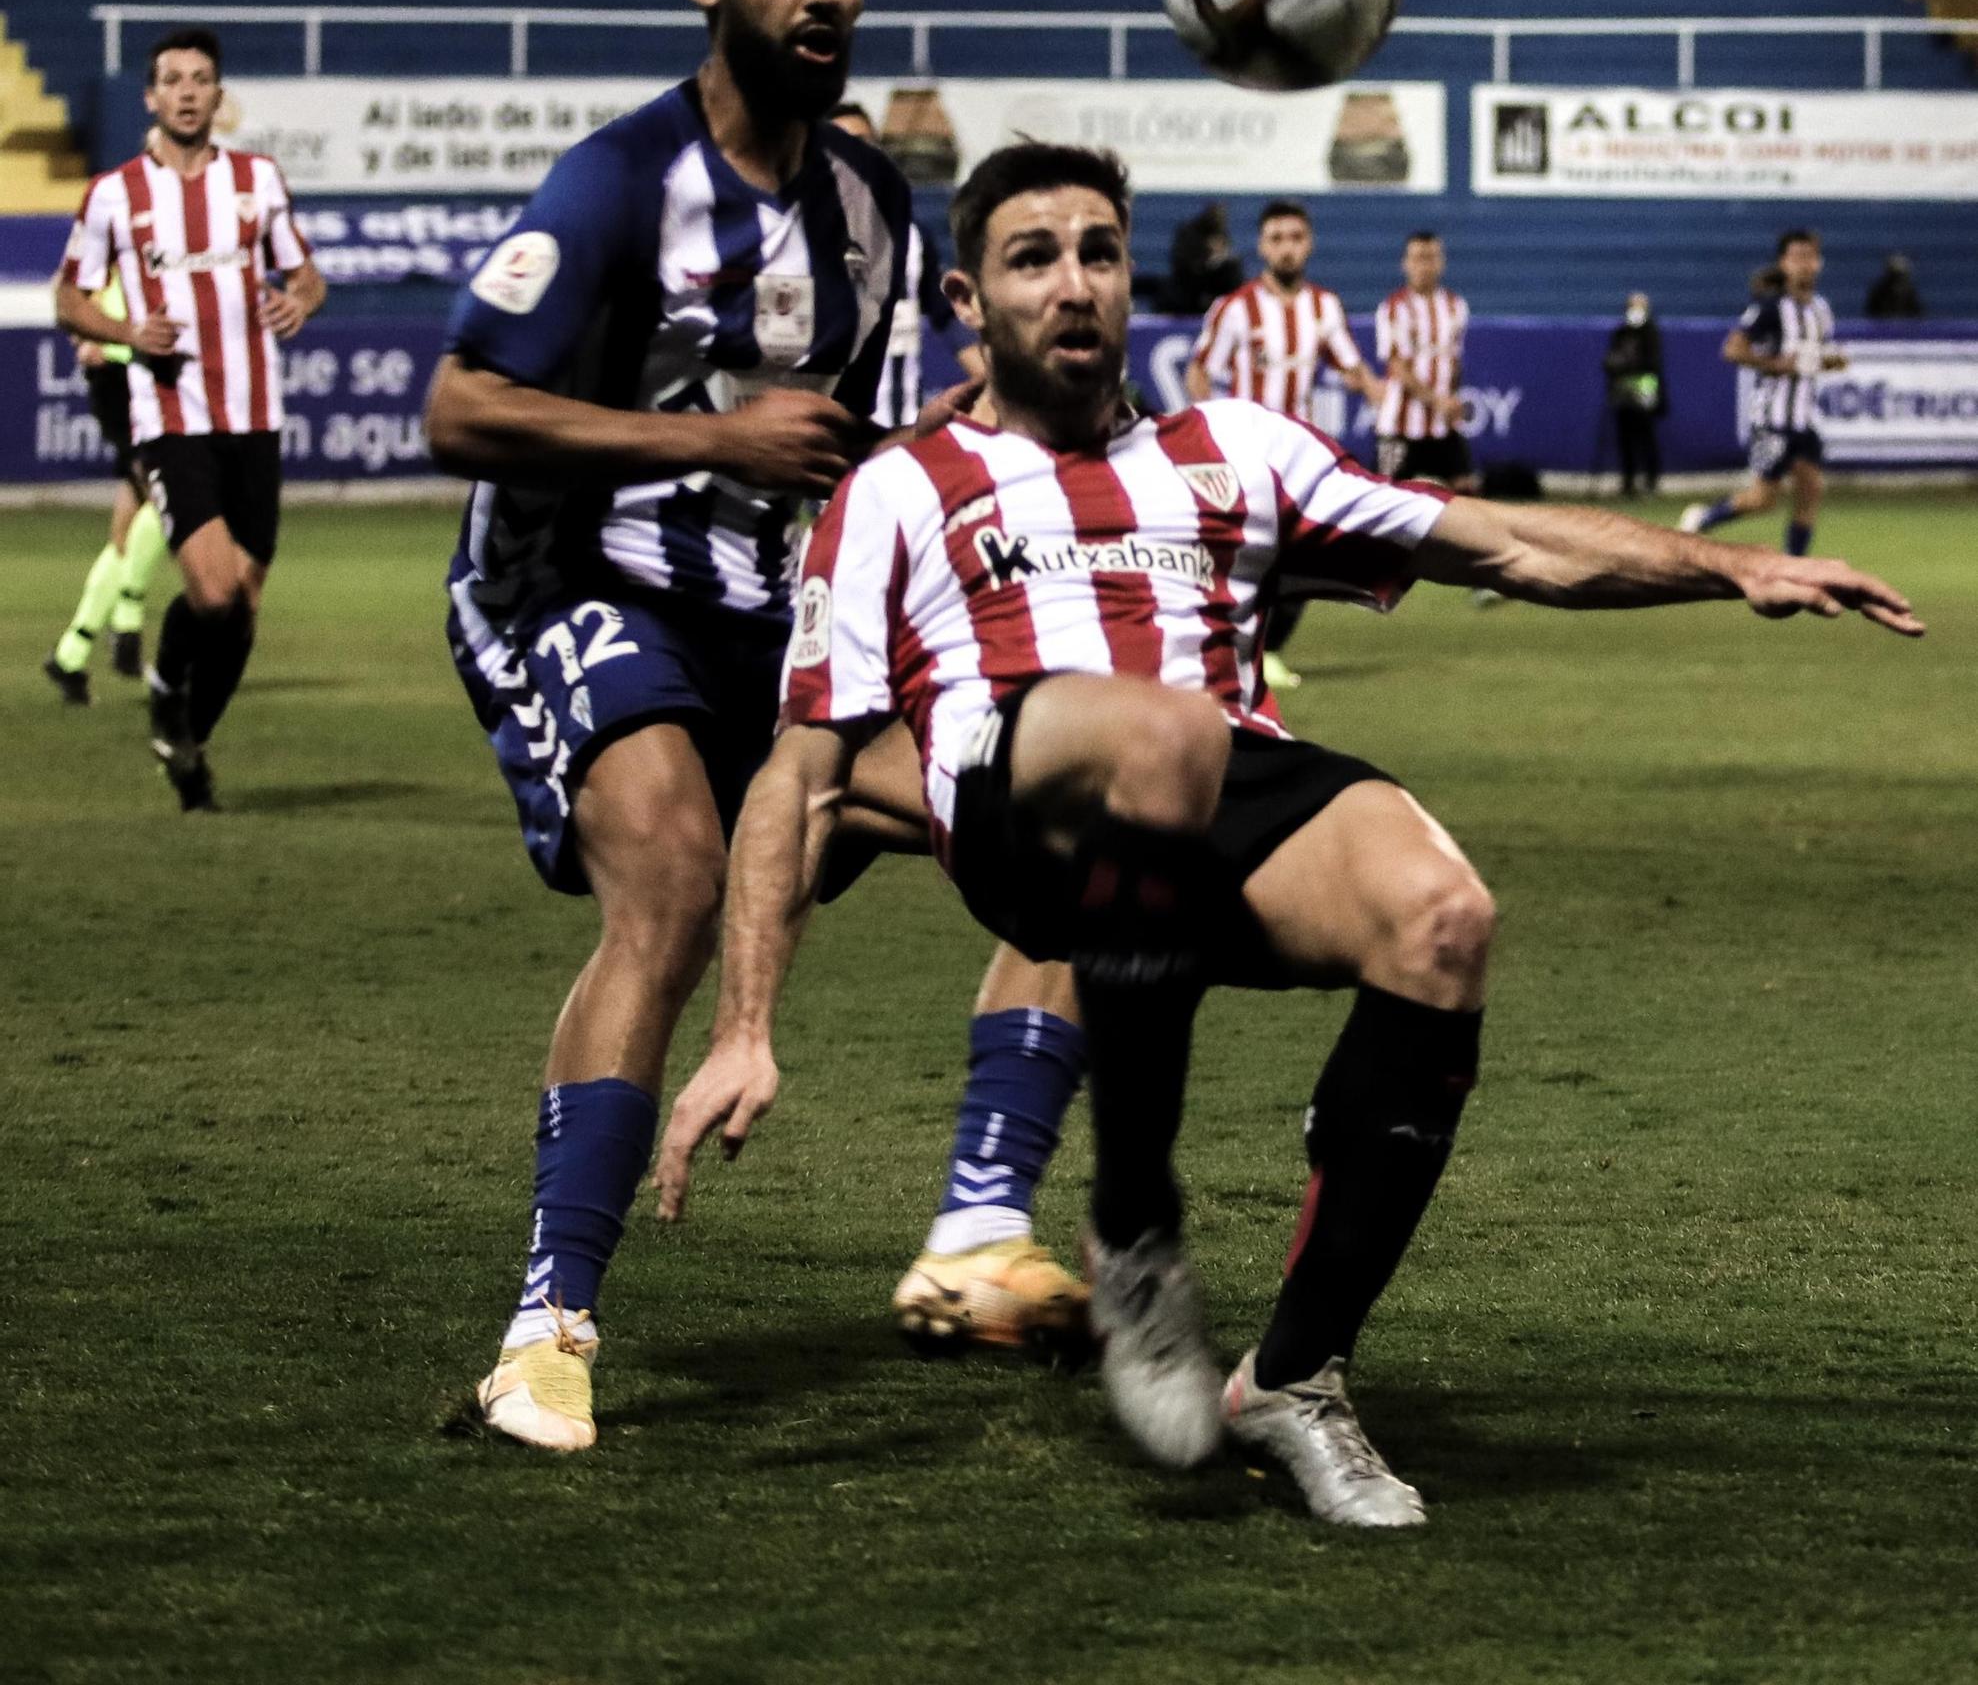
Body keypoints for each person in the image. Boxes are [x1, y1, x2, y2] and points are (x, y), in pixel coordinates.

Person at [657, 141, 1922, 1532]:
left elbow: (1499, 543)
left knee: (1441, 919)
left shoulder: (1232, 448)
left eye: (1096, 252)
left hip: (1209, 783)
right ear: (969, 299)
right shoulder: (898, 489)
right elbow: (799, 770)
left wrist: (1734, 567)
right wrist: (743, 1024)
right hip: (1015, 784)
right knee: (1164, 733)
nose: (1071, 284)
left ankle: (1294, 1380)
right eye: (1032, 259)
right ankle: (1135, 1235)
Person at [425, 0, 1088, 1454]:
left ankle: (974, 1235)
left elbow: (821, 436)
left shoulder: (870, 200)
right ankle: (545, 1336)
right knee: (667, 867)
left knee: (1054, 838)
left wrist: (895, 450)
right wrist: (712, 447)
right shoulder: (615, 180)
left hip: (768, 621)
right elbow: (459, 407)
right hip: (569, 583)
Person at [54, 27, 325, 808]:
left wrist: (296, 299)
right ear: (152, 97)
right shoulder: (115, 194)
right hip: (170, 413)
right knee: (212, 596)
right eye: (171, 79)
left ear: (217, 96)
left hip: (256, 413)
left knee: (243, 605)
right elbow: (69, 298)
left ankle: (189, 742)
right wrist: (126, 333)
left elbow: (308, 277)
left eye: (200, 79)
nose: (185, 91)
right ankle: (167, 678)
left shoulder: (258, 181)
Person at [1186, 199, 1384, 691]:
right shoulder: (1235, 308)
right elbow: (1198, 371)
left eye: (1295, 238)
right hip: (1243, 454)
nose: (1287, 248)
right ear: (1262, 246)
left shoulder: (1324, 307)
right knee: (1236, 556)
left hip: (1298, 458)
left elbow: (1349, 366)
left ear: (1309, 244)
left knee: (1305, 556)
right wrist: (1207, 428)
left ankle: (1265, 650)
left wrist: (1379, 390)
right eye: (1276, 239)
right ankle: (1221, 650)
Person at [41, 268, 170, 706]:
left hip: (140, 373)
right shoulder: (114, 218)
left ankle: (72, 655)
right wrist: (89, 338)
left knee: (133, 519)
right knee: (164, 496)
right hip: (120, 378)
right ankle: (125, 623)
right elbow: (67, 289)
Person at [1680, 229, 1847, 555]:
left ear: (1819, 262)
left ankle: (1794, 566)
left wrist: (1831, 362)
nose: (1804, 264)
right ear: (1784, 263)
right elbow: (1732, 350)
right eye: (1797, 257)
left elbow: (1814, 358)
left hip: (1804, 418)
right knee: (1762, 500)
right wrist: (1773, 363)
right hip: (1772, 418)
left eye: (1810, 257)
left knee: (1811, 489)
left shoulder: (1821, 310)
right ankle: (1703, 518)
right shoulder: (1771, 308)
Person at [824, 100, 962, 425]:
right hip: (829, 438)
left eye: (864, 143)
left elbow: (946, 319)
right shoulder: (795, 239)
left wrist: (993, 385)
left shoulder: (912, 237)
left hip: (900, 435)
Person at [1372, 231, 1473, 490]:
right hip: (1399, 425)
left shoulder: (1455, 306)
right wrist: (1438, 401)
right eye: (1417, 258)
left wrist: (1452, 400)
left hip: (1441, 425)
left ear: (1441, 262)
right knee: (1385, 499)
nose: (1424, 266)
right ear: (1405, 263)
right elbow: (1398, 368)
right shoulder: (1394, 308)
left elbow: (1454, 361)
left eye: (1430, 258)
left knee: (1466, 491)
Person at [1603, 292, 1666, 498]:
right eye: (1633, 306)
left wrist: (1629, 364)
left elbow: (1653, 363)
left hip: (1644, 394)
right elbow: (1610, 360)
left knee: (1646, 438)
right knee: (1625, 440)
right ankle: (1628, 482)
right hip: (1622, 394)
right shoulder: (1621, 332)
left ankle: (1651, 480)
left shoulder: (1651, 333)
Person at [1162, 201, 1244, 316]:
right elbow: (1183, 266)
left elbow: (1227, 259)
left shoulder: (1222, 235)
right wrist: (1208, 260)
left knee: (1233, 266)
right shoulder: (1189, 234)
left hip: (1215, 287)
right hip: (1189, 292)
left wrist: (1220, 258)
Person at [1864, 252, 1923, 319]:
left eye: (1900, 275)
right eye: (1894, 275)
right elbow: (1871, 313)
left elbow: (1918, 314)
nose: (1898, 279)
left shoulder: (1909, 292)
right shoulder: (1879, 291)